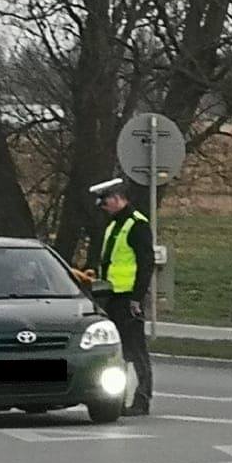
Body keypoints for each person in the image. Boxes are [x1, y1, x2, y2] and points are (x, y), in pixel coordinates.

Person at [87, 176, 155, 416]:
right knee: (118, 351)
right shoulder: (114, 223)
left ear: (118, 198)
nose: (104, 207)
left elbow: (146, 264)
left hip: (129, 298)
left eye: (105, 202)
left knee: (136, 350)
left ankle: (142, 399)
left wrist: (137, 297)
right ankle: (118, 398)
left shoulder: (137, 224)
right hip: (112, 296)